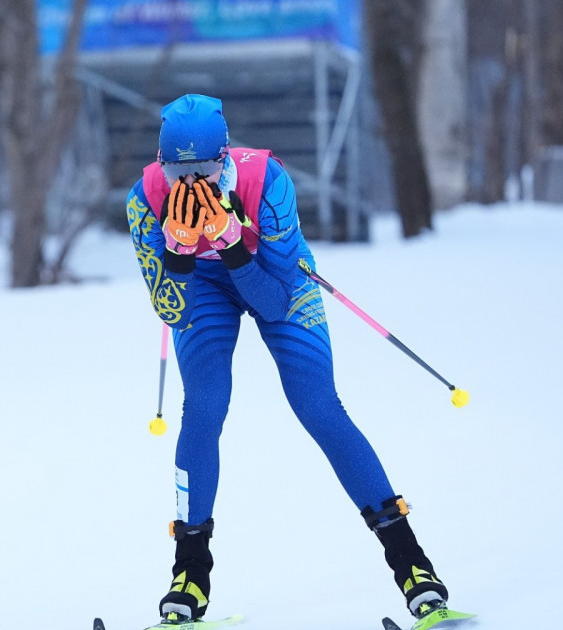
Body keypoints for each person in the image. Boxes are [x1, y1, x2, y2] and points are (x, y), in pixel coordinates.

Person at [125, 94, 457, 626]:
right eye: (177, 172)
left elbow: (276, 302)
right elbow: (171, 308)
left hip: (272, 276)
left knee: (318, 406)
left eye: (205, 170)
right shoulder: (145, 199)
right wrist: (179, 256)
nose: (191, 184)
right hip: (203, 286)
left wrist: (232, 245)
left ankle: (413, 567)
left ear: (224, 158)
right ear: (161, 164)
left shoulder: (266, 182)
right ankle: (189, 578)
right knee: (204, 408)